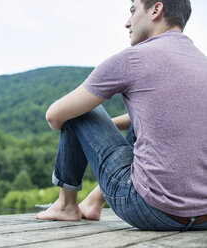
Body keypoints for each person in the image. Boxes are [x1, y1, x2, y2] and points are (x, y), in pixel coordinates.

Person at [36, 0, 207, 232]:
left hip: (150, 210)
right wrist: (104, 129)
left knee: (79, 110)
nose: (127, 23)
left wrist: (88, 127)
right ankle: (94, 201)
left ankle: (66, 205)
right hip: (203, 216)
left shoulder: (132, 59)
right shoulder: (201, 62)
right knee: (143, 120)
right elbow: (160, 117)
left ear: (156, 10)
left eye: (133, 11)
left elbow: (54, 117)